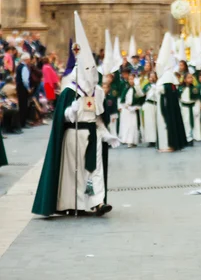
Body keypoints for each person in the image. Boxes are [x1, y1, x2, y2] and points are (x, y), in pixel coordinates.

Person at [32, 12, 120, 217]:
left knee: (94, 170)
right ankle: (73, 203)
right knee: (75, 171)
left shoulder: (97, 91)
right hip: (74, 135)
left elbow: (98, 117)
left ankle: (98, 202)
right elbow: (63, 118)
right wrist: (72, 109)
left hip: (93, 135)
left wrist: (106, 134)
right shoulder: (69, 92)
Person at [155, 33, 187, 152]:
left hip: (166, 107)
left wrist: (160, 90)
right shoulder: (165, 76)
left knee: (167, 123)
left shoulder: (168, 76)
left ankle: (169, 144)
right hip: (161, 105)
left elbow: (168, 91)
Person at [119, 75, 143, 148]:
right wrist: (125, 105)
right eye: (129, 79)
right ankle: (128, 141)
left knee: (133, 125)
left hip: (133, 109)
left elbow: (140, 98)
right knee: (127, 125)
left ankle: (134, 140)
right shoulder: (126, 88)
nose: (131, 81)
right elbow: (122, 99)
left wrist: (137, 106)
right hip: (126, 110)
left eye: (132, 79)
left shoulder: (137, 89)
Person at [179, 72, 201, 144]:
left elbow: (197, 100)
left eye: (191, 77)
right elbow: (179, 99)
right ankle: (187, 137)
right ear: (185, 79)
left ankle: (194, 137)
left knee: (194, 122)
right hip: (184, 107)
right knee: (186, 122)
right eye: (189, 77)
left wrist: (197, 108)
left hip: (192, 107)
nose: (191, 79)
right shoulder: (181, 88)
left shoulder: (194, 89)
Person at [141, 71, 158, 146]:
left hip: (156, 104)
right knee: (149, 123)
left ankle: (157, 139)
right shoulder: (147, 86)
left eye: (153, 76)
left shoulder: (158, 85)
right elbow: (142, 94)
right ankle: (151, 140)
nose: (152, 78)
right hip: (149, 104)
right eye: (150, 76)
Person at [16, 52, 32, 128]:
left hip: (19, 87)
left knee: (21, 104)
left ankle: (21, 122)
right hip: (23, 88)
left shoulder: (19, 66)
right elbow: (25, 80)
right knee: (24, 105)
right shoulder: (24, 67)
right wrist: (28, 88)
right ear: (27, 59)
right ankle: (23, 122)